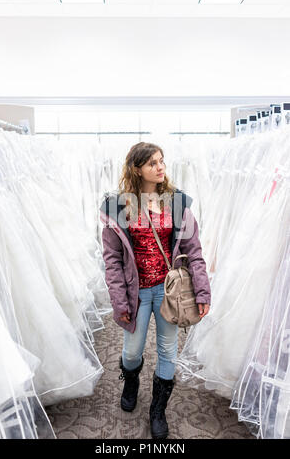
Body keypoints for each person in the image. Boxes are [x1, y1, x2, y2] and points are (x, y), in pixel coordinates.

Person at [100, 142, 211, 439]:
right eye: (152, 163)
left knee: (167, 351)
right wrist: (118, 298)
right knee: (132, 350)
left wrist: (202, 292)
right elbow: (112, 259)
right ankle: (132, 379)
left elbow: (194, 252)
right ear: (137, 169)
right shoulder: (118, 206)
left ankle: (157, 410)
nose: (161, 167)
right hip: (136, 293)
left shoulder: (177, 204)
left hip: (169, 291)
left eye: (162, 161)